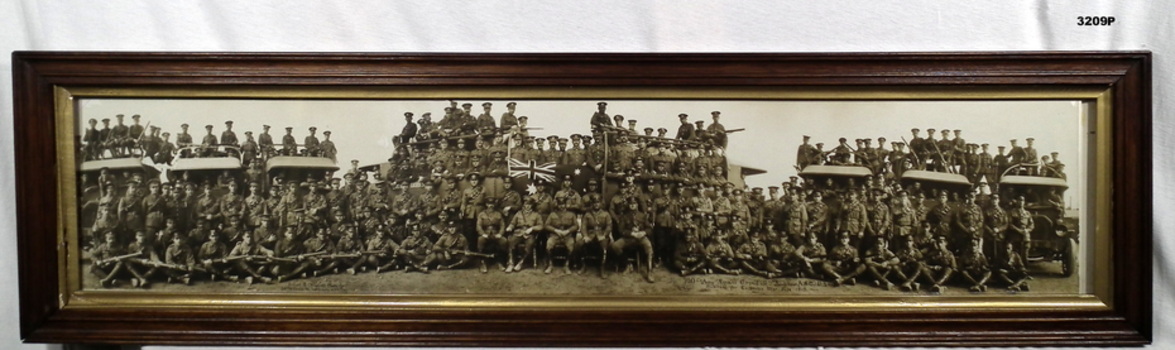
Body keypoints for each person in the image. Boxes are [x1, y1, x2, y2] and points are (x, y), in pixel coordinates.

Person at [611, 200, 655, 282]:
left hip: (641, 238)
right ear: (628, 205)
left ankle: (650, 271)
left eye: (634, 204)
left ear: (637, 205)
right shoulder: (624, 216)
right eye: (631, 204)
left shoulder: (643, 215)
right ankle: (628, 265)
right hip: (629, 238)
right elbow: (621, 230)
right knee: (615, 246)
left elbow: (650, 229)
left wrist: (643, 232)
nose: (632, 205)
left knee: (649, 246)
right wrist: (631, 233)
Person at [578, 200, 613, 278]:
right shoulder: (587, 214)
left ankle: (602, 268)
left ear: (601, 203)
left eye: (598, 203)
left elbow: (609, 226)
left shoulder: (606, 214)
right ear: (592, 204)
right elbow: (583, 227)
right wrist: (585, 236)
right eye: (594, 203)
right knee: (579, 244)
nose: (596, 204)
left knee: (604, 247)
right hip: (590, 235)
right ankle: (583, 265)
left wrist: (604, 235)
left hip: (602, 235)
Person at [544, 201, 579, 274]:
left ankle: (566, 265)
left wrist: (568, 231)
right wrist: (555, 230)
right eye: (560, 205)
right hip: (555, 235)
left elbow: (576, 226)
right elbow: (546, 225)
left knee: (571, 245)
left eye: (563, 204)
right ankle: (550, 265)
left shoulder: (571, 214)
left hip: (567, 235)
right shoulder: (552, 214)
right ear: (557, 205)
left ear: (566, 205)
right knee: (549, 244)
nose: (561, 206)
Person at [475, 200, 507, 273]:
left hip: (496, 233)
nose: (490, 206)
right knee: (480, 240)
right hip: (485, 233)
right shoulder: (481, 214)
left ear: (494, 205)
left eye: (492, 204)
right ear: (486, 204)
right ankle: (483, 263)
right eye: (489, 204)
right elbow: (478, 226)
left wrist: (500, 234)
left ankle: (501, 262)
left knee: (504, 241)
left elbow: (502, 225)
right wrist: (483, 234)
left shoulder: (498, 214)